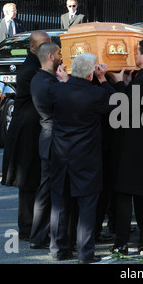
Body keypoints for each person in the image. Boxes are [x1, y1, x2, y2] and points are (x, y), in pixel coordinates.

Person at [49, 53, 115, 264]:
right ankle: (85, 254)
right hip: (86, 157)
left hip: (60, 155)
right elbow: (116, 102)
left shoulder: (57, 89)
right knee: (87, 206)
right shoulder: (95, 93)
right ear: (90, 74)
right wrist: (104, 79)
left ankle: (58, 249)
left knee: (59, 204)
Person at [109, 39, 143, 254]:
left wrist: (116, 83)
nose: (134, 55)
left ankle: (122, 242)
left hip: (133, 145)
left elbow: (123, 108)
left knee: (125, 193)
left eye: (136, 52)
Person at [1, 30, 51, 241]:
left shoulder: (34, 65)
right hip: (27, 130)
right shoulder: (31, 70)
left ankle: (30, 226)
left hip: (30, 127)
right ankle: (27, 227)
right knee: (28, 179)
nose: (48, 48)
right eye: (44, 44)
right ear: (33, 48)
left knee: (31, 177)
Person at [29, 42, 69, 250]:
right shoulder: (51, 83)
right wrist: (66, 83)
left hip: (46, 138)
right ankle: (46, 236)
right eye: (60, 53)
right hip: (55, 139)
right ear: (51, 57)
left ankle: (37, 235)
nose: (62, 56)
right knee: (52, 191)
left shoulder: (39, 78)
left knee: (45, 189)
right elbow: (66, 104)